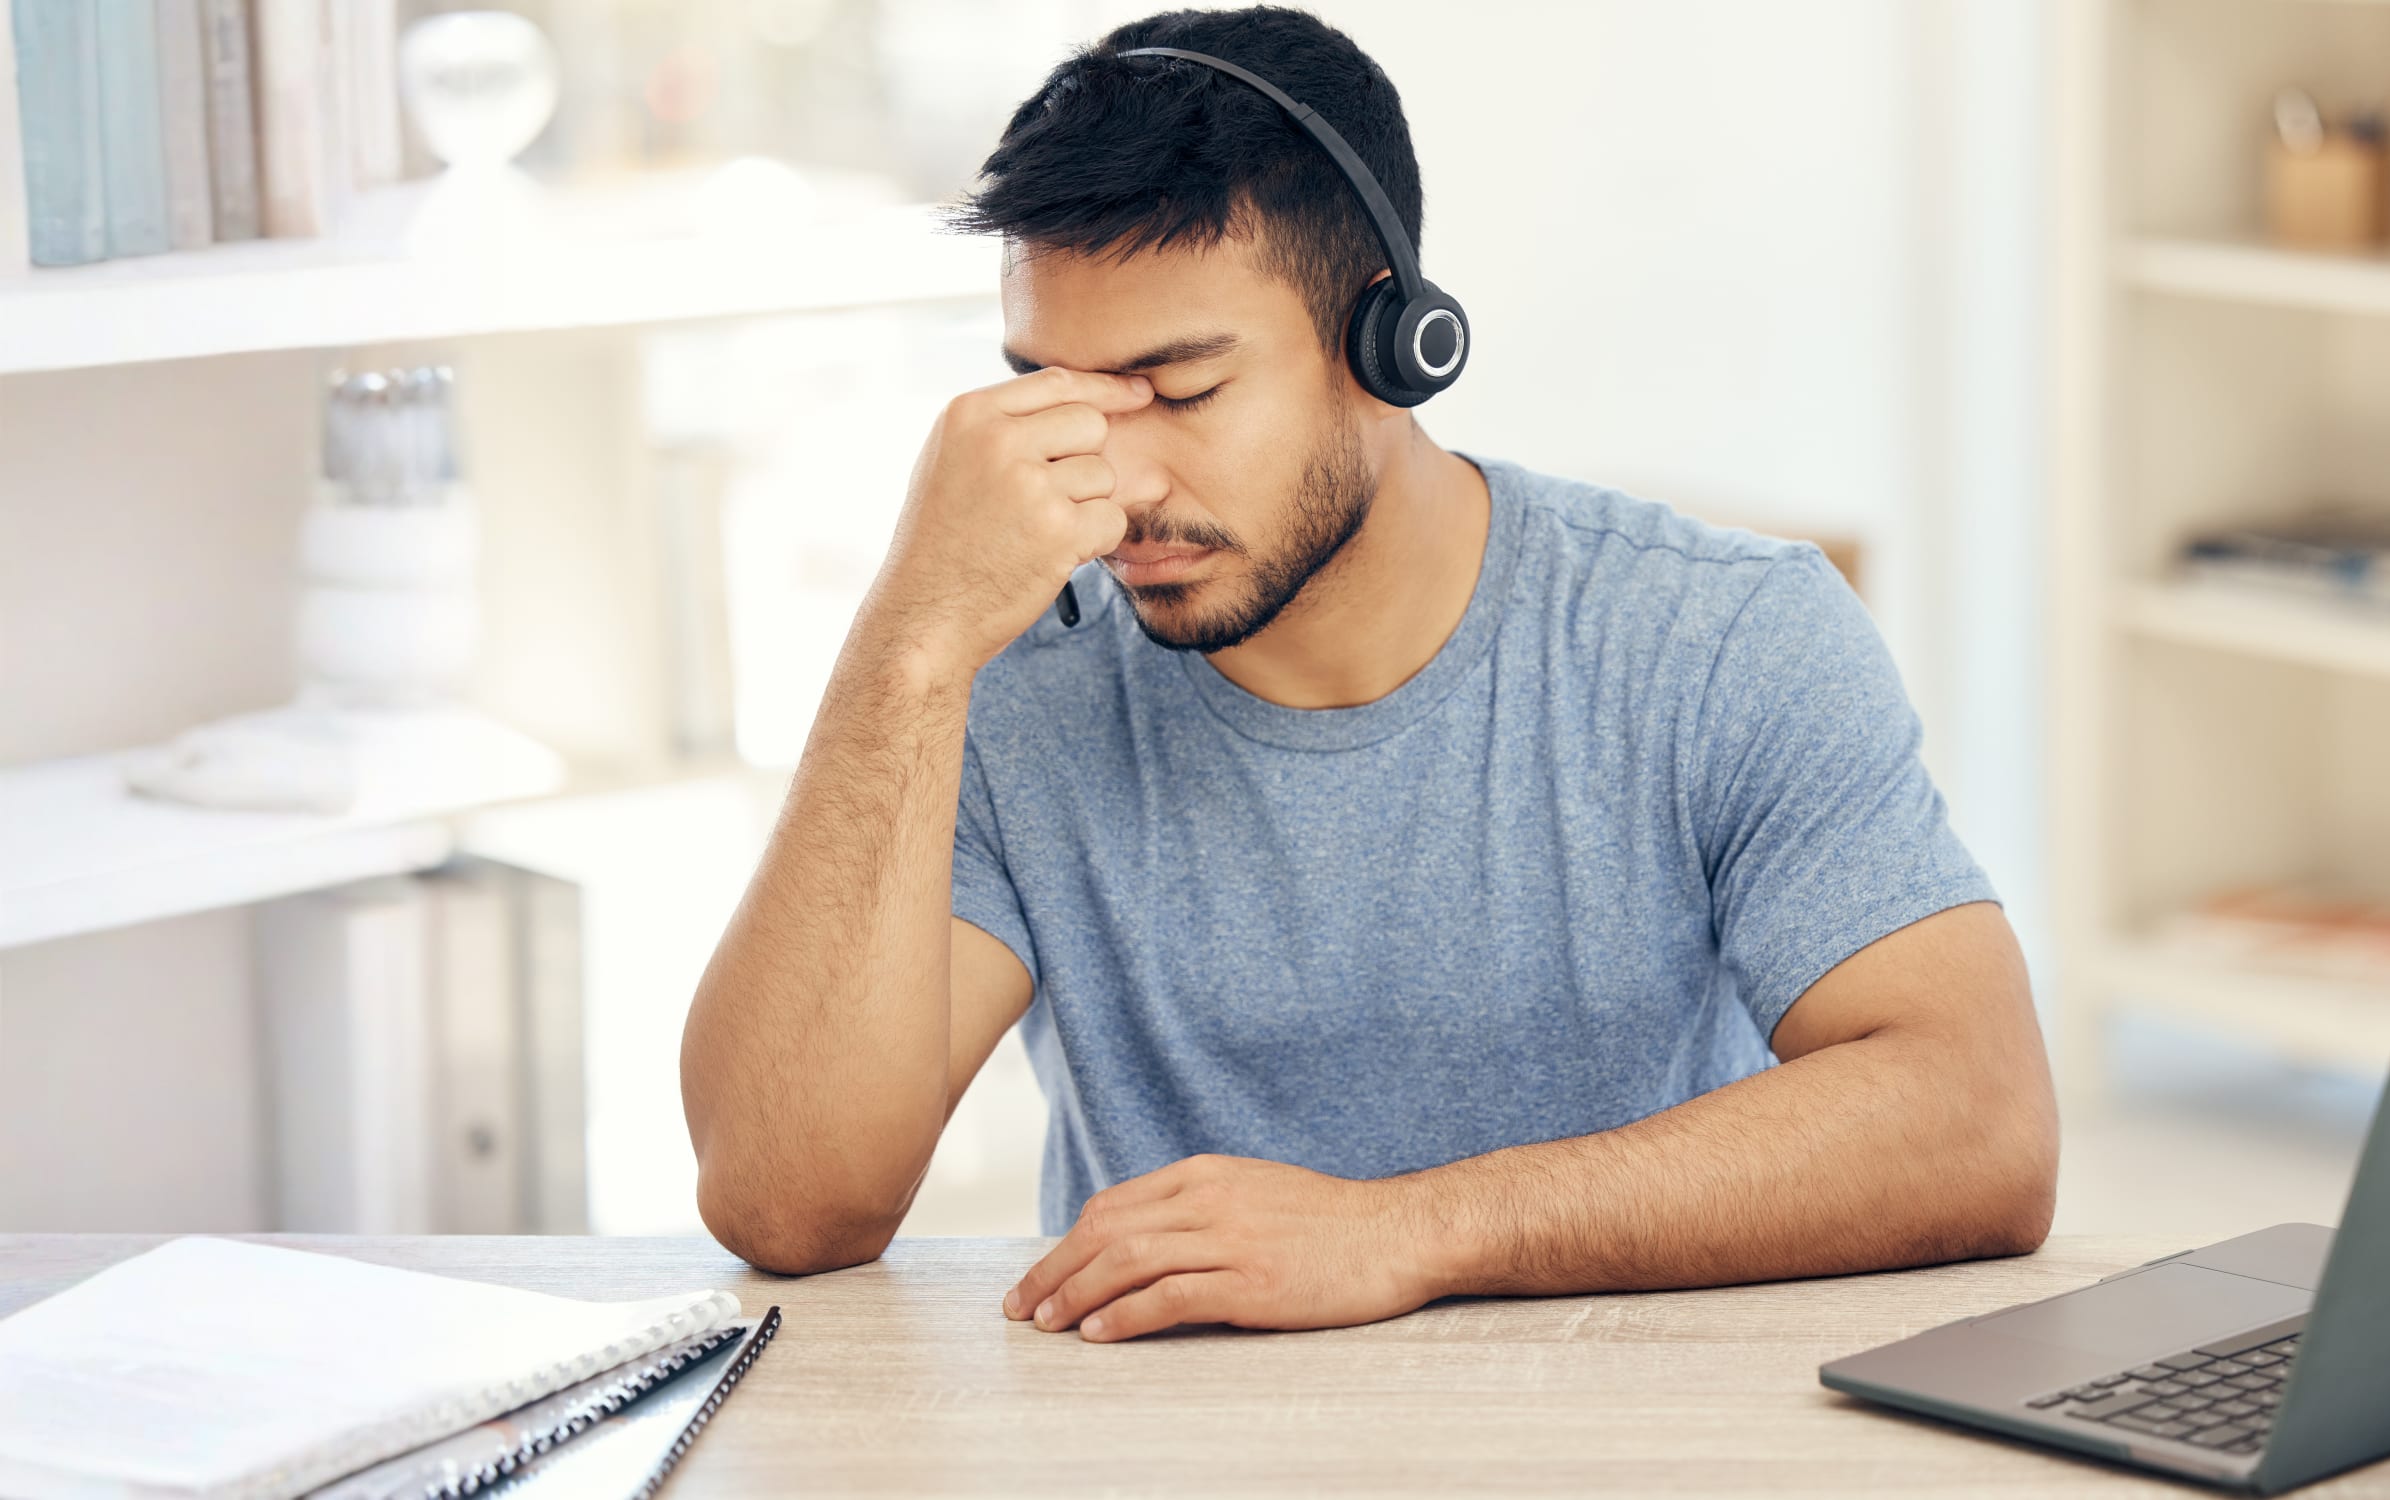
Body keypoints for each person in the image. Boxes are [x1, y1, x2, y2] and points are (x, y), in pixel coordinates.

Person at [679, 5, 2056, 1344]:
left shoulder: (1720, 637)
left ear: (1397, 343)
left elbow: (1977, 1121)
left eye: (1183, 388)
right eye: (1061, 397)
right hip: (1171, 1452)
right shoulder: (1006, 677)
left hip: (1635, 1438)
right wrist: (909, 642)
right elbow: (792, 1205)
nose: (1122, 484)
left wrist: (1401, 1232)